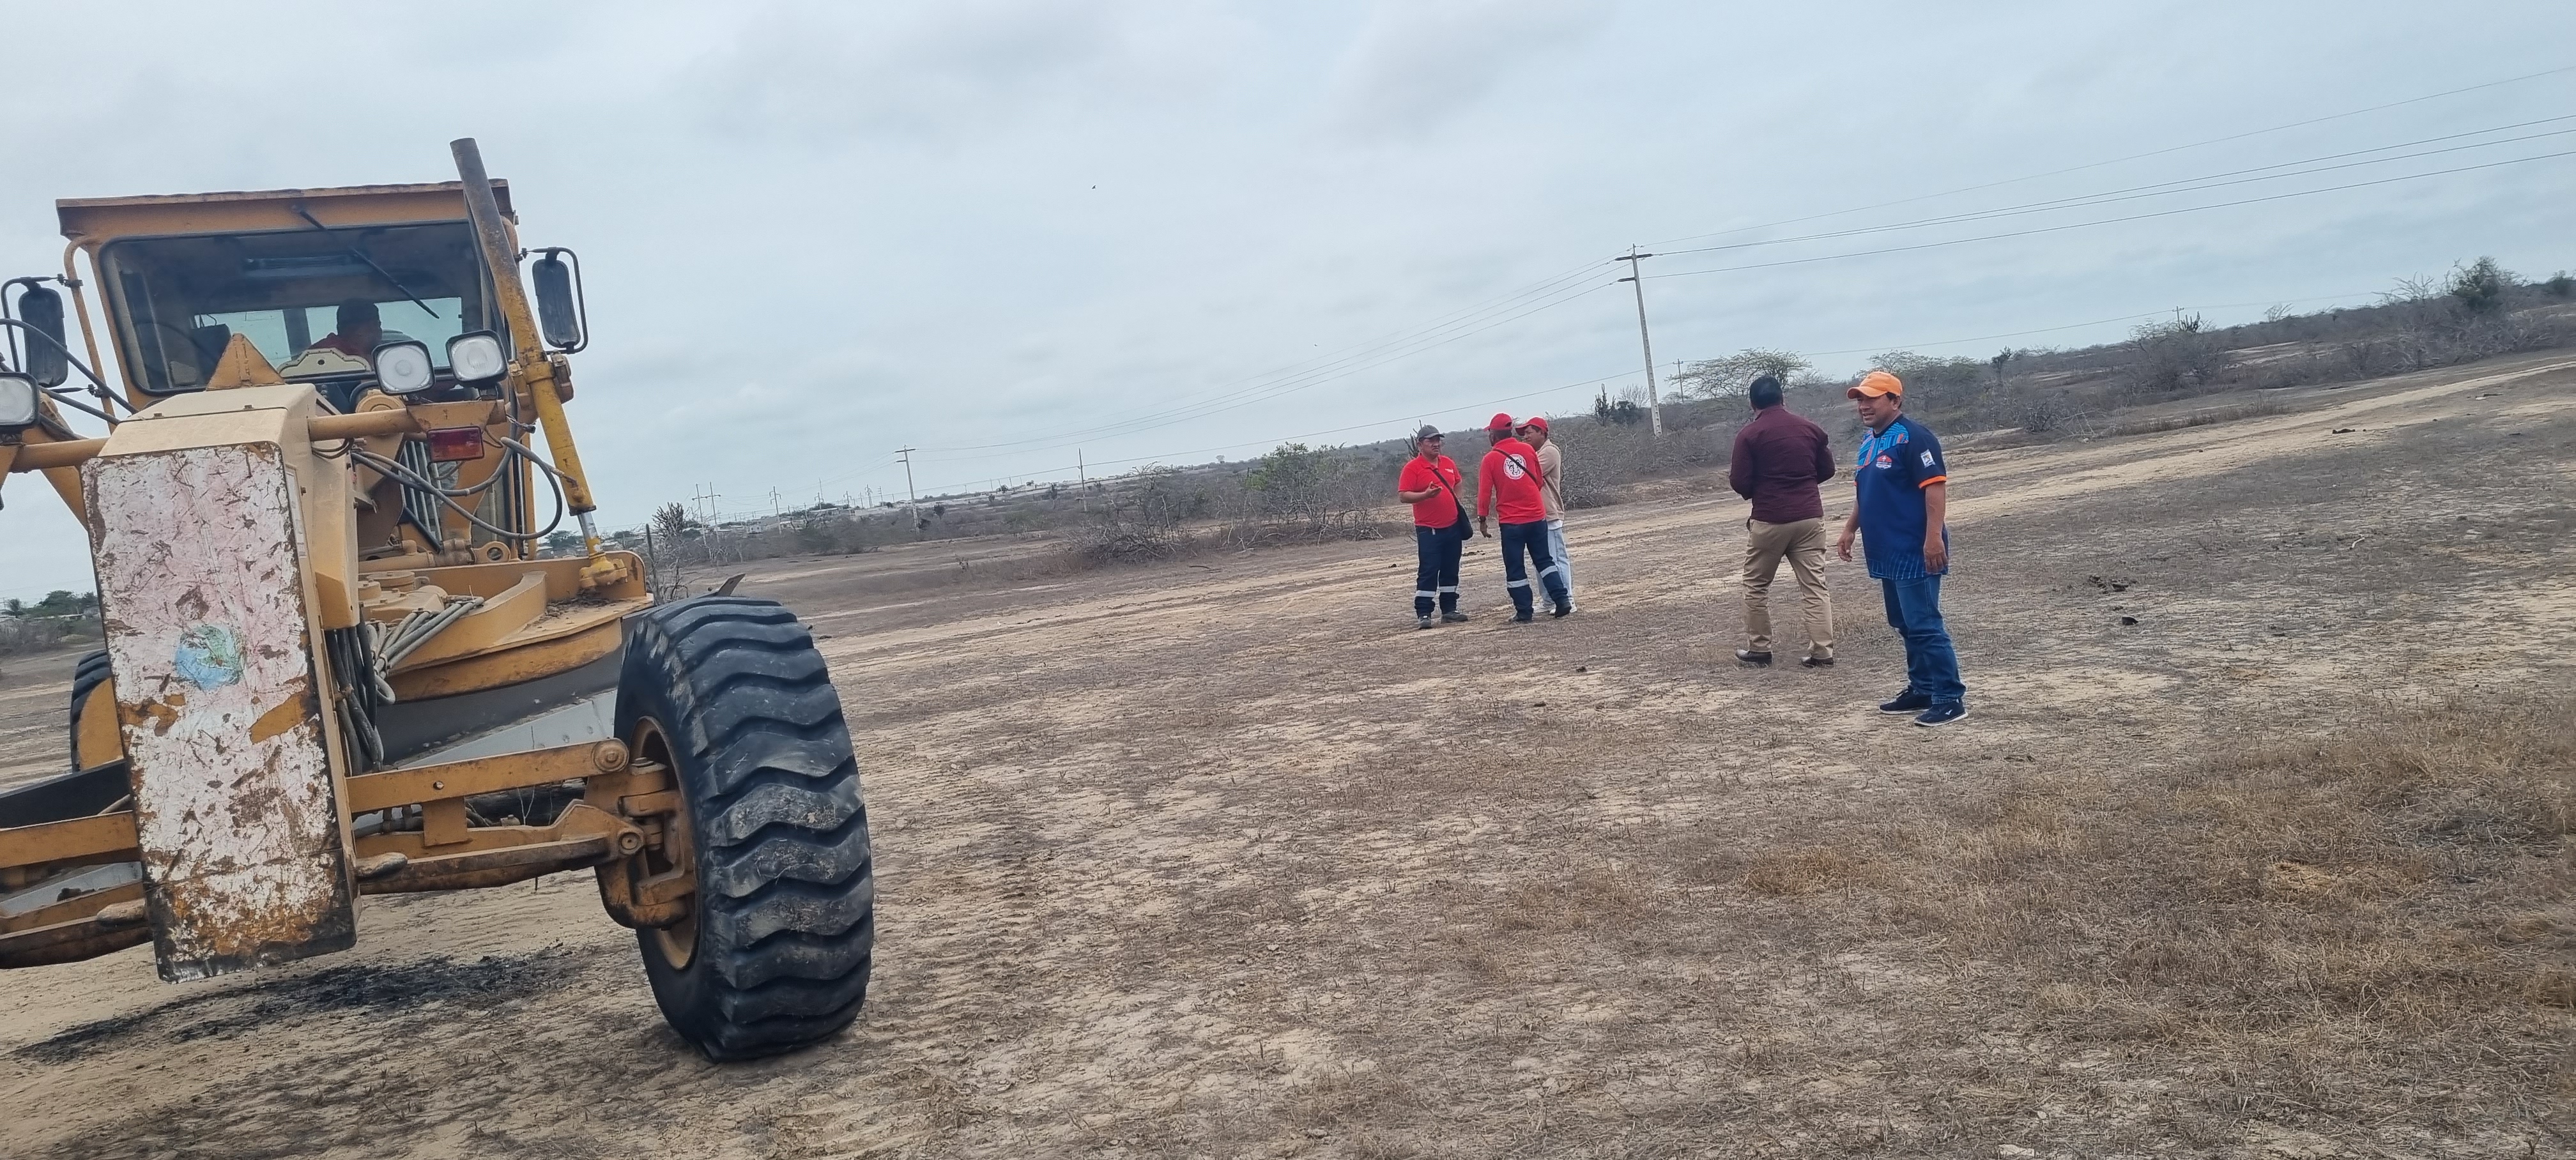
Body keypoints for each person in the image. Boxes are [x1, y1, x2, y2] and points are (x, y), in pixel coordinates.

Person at [1835, 370, 1967, 726]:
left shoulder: (1915, 437)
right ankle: (1922, 688)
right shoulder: (1869, 441)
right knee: (1903, 622)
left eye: (1872, 398)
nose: (1864, 406)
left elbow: (1935, 488)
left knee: (1924, 624)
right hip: (1885, 549)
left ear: (1895, 401)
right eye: (1860, 399)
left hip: (1915, 548)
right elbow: (1865, 490)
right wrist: (1850, 529)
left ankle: (1950, 697)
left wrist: (1933, 538)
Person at [1728, 374, 1836, 667]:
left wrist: (1761, 490)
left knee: (1755, 586)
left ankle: (1760, 648)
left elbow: (1739, 481)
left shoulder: (1749, 435)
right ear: (1782, 398)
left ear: (1752, 404)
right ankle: (1822, 652)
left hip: (1770, 519)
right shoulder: (1810, 429)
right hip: (1810, 518)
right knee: (1815, 586)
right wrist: (1803, 484)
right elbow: (1827, 470)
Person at [1475, 413, 1569, 622]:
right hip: (1537, 517)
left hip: (1512, 522)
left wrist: (1482, 519)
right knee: (1544, 560)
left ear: (1493, 435)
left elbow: (1484, 493)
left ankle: (1524, 611)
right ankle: (1562, 600)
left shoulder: (1490, 459)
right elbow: (1538, 481)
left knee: (1515, 567)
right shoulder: (1528, 450)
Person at [1394, 425, 1471, 629]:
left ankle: (1449, 610)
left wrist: (1456, 500)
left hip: (1453, 527)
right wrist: (1425, 496)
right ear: (1420, 445)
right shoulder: (1412, 468)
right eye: (1431, 441)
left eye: (1438, 440)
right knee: (1429, 570)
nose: (1436, 444)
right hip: (1429, 529)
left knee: (1451, 569)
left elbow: (1458, 482)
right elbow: (1403, 496)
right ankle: (1424, 613)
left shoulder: (1448, 463)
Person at [1517, 415, 1574, 611]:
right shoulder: (1534, 453)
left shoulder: (1549, 451)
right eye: (1524, 434)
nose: (1525, 437)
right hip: (1536, 515)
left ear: (1542, 433)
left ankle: (1567, 598)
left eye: (1529, 433)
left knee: (1556, 558)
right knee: (1541, 561)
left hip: (1550, 513)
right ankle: (1549, 600)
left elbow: (1526, 474)